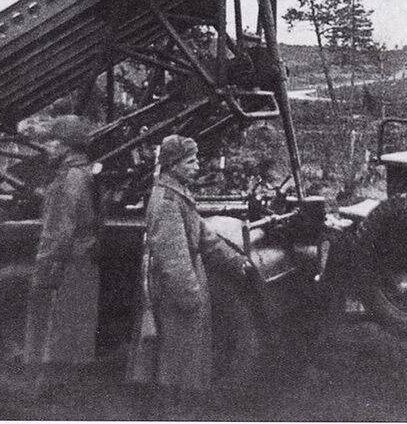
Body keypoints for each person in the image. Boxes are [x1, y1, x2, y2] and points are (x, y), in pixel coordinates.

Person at [126, 135, 251, 410]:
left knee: (183, 352)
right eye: (191, 161)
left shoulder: (178, 194)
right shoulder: (167, 201)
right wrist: (190, 297)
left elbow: (205, 238)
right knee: (175, 354)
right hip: (174, 290)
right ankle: (171, 411)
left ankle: (177, 407)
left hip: (182, 284)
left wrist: (234, 260)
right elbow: (173, 258)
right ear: (173, 165)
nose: (197, 166)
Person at [22, 115, 101, 395]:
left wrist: (44, 265)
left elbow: (58, 229)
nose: (49, 146)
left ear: (67, 146)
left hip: (66, 261)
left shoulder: (69, 178)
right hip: (82, 258)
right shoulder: (83, 173)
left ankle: (48, 393)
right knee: (72, 328)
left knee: (53, 328)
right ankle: (65, 390)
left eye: (54, 141)